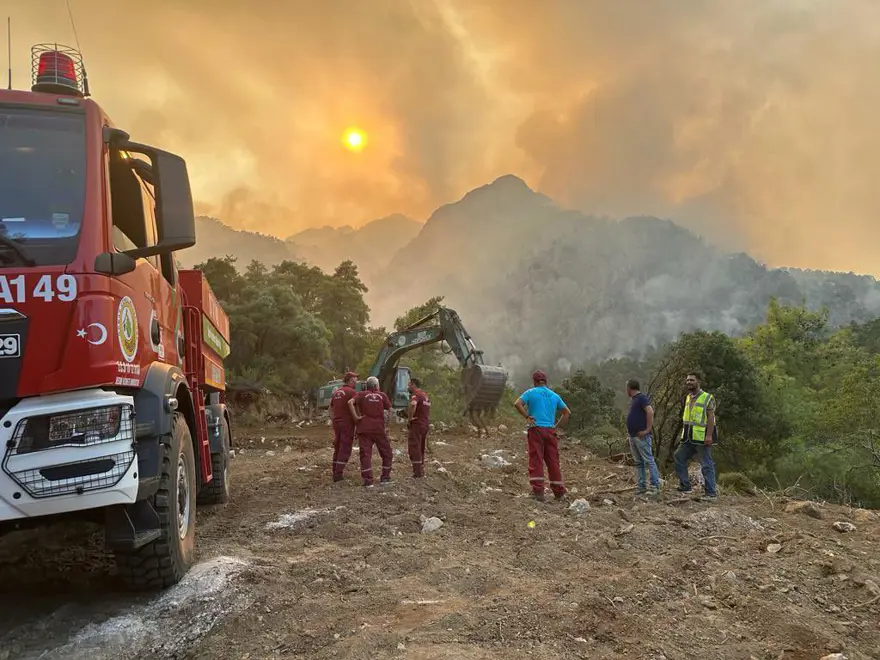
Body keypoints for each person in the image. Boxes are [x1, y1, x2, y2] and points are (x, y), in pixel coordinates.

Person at [513, 370, 571, 502]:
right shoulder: (554, 395)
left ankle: (538, 492)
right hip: (550, 431)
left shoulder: (530, 392)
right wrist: (557, 427)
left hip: (536, 429)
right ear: (545, 382)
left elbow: (517, 404)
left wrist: (527, 416)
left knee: (536, 459)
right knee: (553, 461)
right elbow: (567, 412)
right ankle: (559, 493)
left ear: (534, 382)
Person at [674, 372, 718, 501]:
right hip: (688, 437)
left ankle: (711, 493)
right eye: (687, 380)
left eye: (692, 380)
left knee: (706, 464)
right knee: (678, 457)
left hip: (701, 438)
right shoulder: (688, 397)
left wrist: (709, 436)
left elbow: (711, 418)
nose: (689, 382)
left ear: (698, 381)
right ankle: (685, 486)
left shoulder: (707, 397)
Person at [348, 376, 394, 488]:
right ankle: (385, 479)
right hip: (379, 429)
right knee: (387, 453)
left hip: (364, 428)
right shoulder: (382, 395)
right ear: (376, 385)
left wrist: (356, 417)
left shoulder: (361, 394)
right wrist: (387, 426)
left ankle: (368, 482)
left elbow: (350, 402)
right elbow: (390, 410)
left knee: (366, 455)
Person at [625, 379, 660, 497]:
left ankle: (655, 486)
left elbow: (650, 411)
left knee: (648, 460)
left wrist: (647, 430)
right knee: (639, 462)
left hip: (641, 436)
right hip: (633, 436)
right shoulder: (635, 400)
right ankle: (641, 486)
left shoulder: (641, 398)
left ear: (629, 388)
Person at [329, 371, 358, 483]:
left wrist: (334, 419)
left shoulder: (336, 392)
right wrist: (357, 420)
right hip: (347, 423)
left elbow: (330, 408)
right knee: (345, 447)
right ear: (350, 380)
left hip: (337, 423)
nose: (356, 382)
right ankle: (338, 474)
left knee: (338, 446)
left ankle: (335, 470)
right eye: (355, 379)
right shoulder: (352, 392)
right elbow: (356, 407)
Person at [406, 377, 431, 478]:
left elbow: (413, 405)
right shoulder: (426, 396)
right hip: (425, 424)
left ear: (413, 384)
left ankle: (417, 473)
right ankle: (421, 469)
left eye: (409, 385)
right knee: (421, 448)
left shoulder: (416, 395)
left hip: (417, 424)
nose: (408, 387)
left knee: (414, 447)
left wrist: (409, 419)